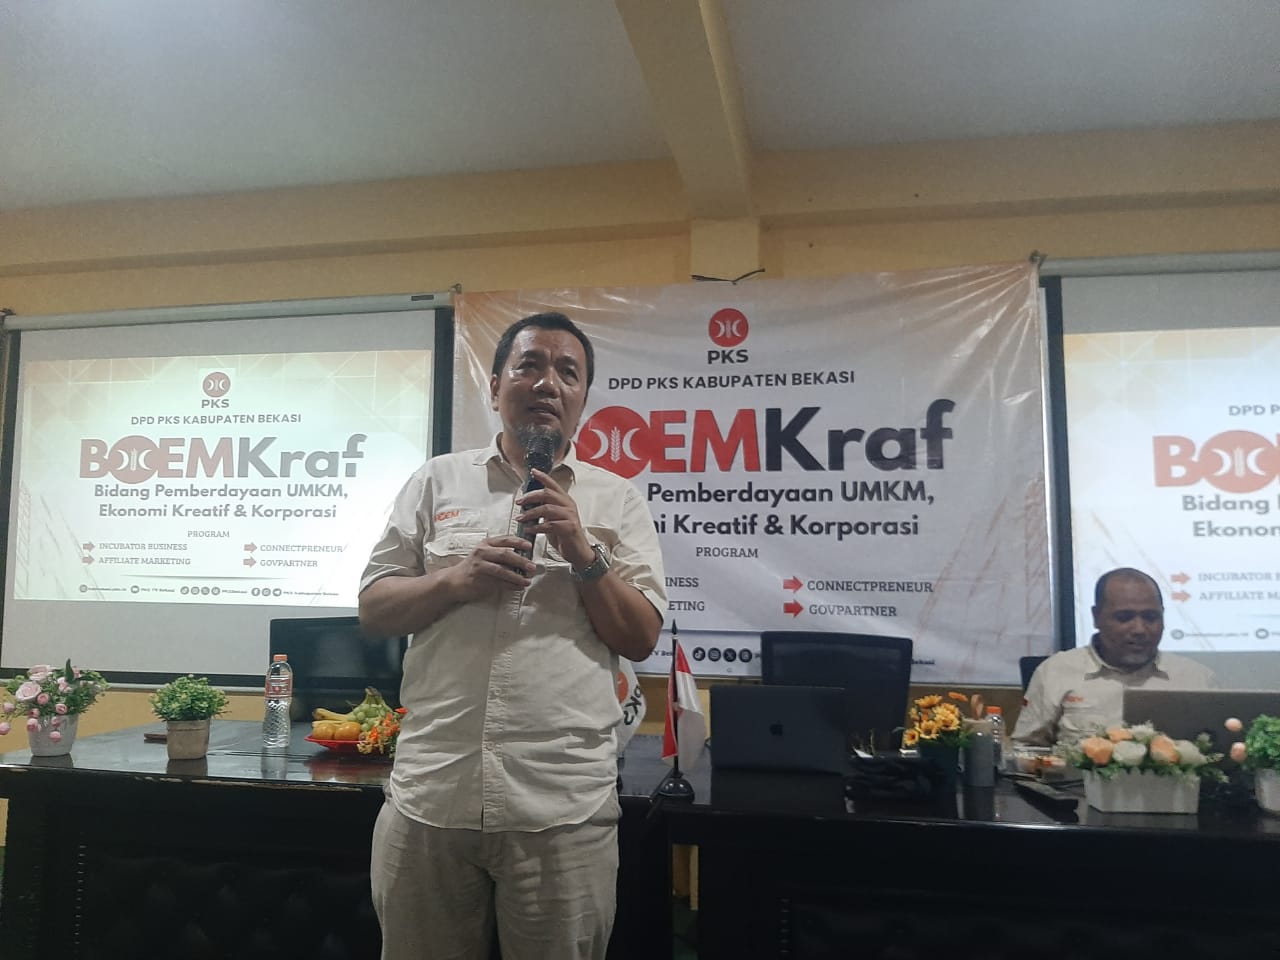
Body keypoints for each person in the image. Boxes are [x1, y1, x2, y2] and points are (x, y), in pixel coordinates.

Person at [359, 311, 667, 960]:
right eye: (530, 365)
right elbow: (375, 610)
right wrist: (456, 580)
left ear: (583, 398)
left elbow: (640, 638)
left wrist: (583, 552)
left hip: (562, 808)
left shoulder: (618, 500)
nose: (548, 383)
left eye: (568, 372)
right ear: (496, 385)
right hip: (432, 797)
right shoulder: (435, 482)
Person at [1011, 567, 1214, 747]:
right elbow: (1025, 749)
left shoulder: (1197, 678)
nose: (1139, 629)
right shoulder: (1055, 672)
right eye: (1124, 617)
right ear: (1096, 617)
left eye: (1151, 617)